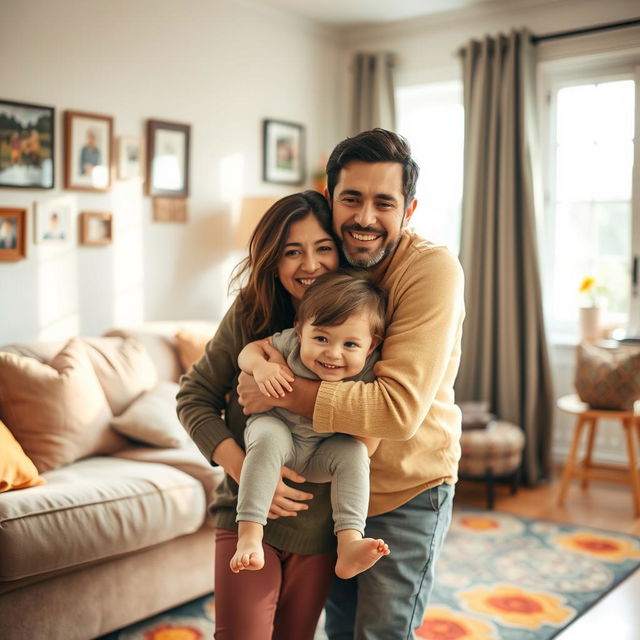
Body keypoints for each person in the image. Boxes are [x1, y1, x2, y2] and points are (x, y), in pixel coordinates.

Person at [236, 128, 465, 639]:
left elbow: (397, 412)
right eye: (352, 199)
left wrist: (278, 391)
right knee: (340, 633)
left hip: (408, 490)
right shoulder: (322, 265)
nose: (364, 218)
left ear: (408, 210)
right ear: (329, 198)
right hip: (333, 496)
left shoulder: (431, 269)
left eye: (384, 202)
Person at [177, 191, 342, 640]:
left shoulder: (363, 323)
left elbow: (375, 415)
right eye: (293, 251)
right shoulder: (251, 313)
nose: (310, 264)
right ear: (273, 259)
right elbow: (193, 396)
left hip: (318, 529)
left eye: (323, 247)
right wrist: (247, 468)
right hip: (244, 517)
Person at [232, 270, 390, 579]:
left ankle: (349, 543)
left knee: (354, 453)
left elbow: (378, 415)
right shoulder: (288, 344)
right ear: (300, 330)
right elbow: (250, 350)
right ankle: (250, 534)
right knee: (269, 436)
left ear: (371, 347)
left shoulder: (374, 366)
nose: (333, 353)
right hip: (279, 433)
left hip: (322, 452)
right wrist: (261, 367)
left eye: (350, 345)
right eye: (321, 338)